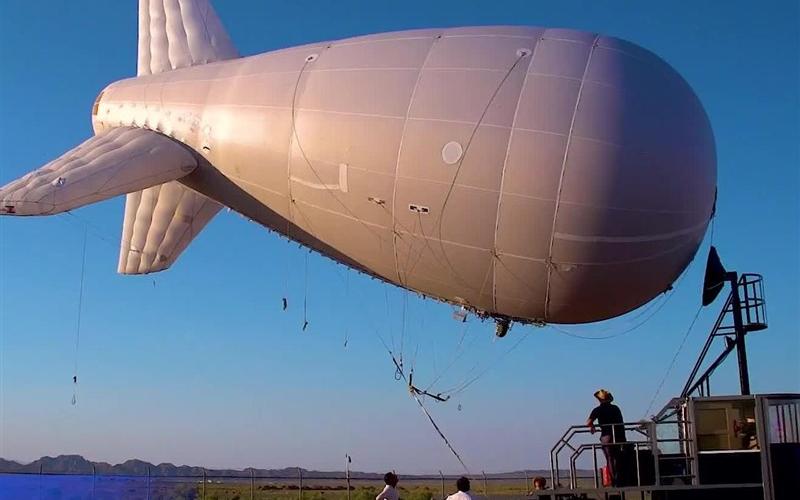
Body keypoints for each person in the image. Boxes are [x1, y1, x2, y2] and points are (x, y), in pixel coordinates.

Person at [586, 389, 627, 486]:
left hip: (606, 436)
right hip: (619, 436)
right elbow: (621, 423)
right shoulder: (616, 408)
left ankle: (614, 481)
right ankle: (621, 480)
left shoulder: (597, 410)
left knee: (610, 458)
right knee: (619, 458)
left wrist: (592, 427)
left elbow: (588, 422)